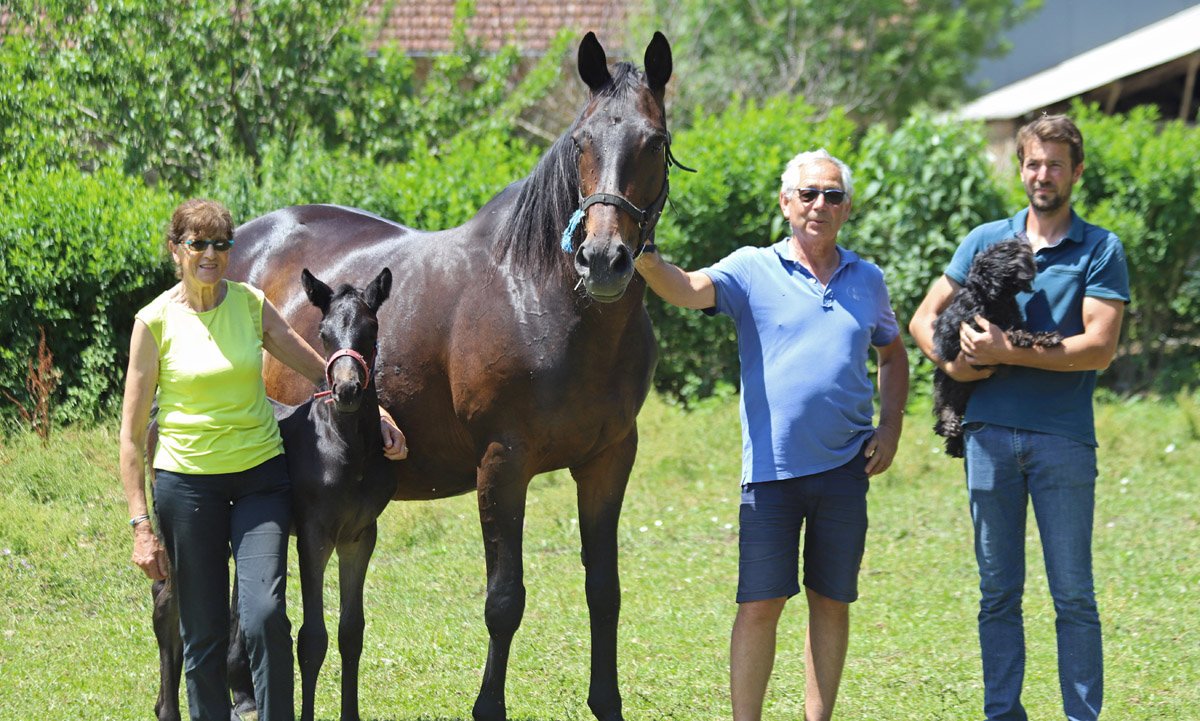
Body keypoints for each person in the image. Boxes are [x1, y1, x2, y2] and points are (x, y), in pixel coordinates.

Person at [635, 149, 909, 721]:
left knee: (831, 601)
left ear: (847, 208)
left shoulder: (868, 279)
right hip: (770, 474)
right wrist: (644, 255)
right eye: (808, 193)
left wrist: (890, 426)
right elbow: (686, 288)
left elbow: (892, 352)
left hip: (846, 469)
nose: (819, 204)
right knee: (760, 604)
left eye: (832, 195)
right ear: (786, 203)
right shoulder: (751, 268)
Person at [117, 199, 407, 721]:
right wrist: (141, 525)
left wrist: (378, 411)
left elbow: (321, 368)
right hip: (189, 484)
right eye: (197, 244)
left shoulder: (250, 303)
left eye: (220, 244)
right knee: (203, 629)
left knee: (266, 616)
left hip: (258, 477)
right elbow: (132, 436)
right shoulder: (153, 322)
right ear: (176, 250)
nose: (210, 254)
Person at [909, 114, 1129, 721]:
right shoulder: (986, 239)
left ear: (1076, 172)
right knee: (998, 593)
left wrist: (1008, 351)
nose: (1043, 174)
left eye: (1056, 164)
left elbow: (1099, 347)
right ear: (1021, 168)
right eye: (1033, 163)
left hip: (1063, 440)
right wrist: (952, 367)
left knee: (1073, 595)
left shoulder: (1101, 248)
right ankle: (1003, 713)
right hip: (987, 438)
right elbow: (924, 319)